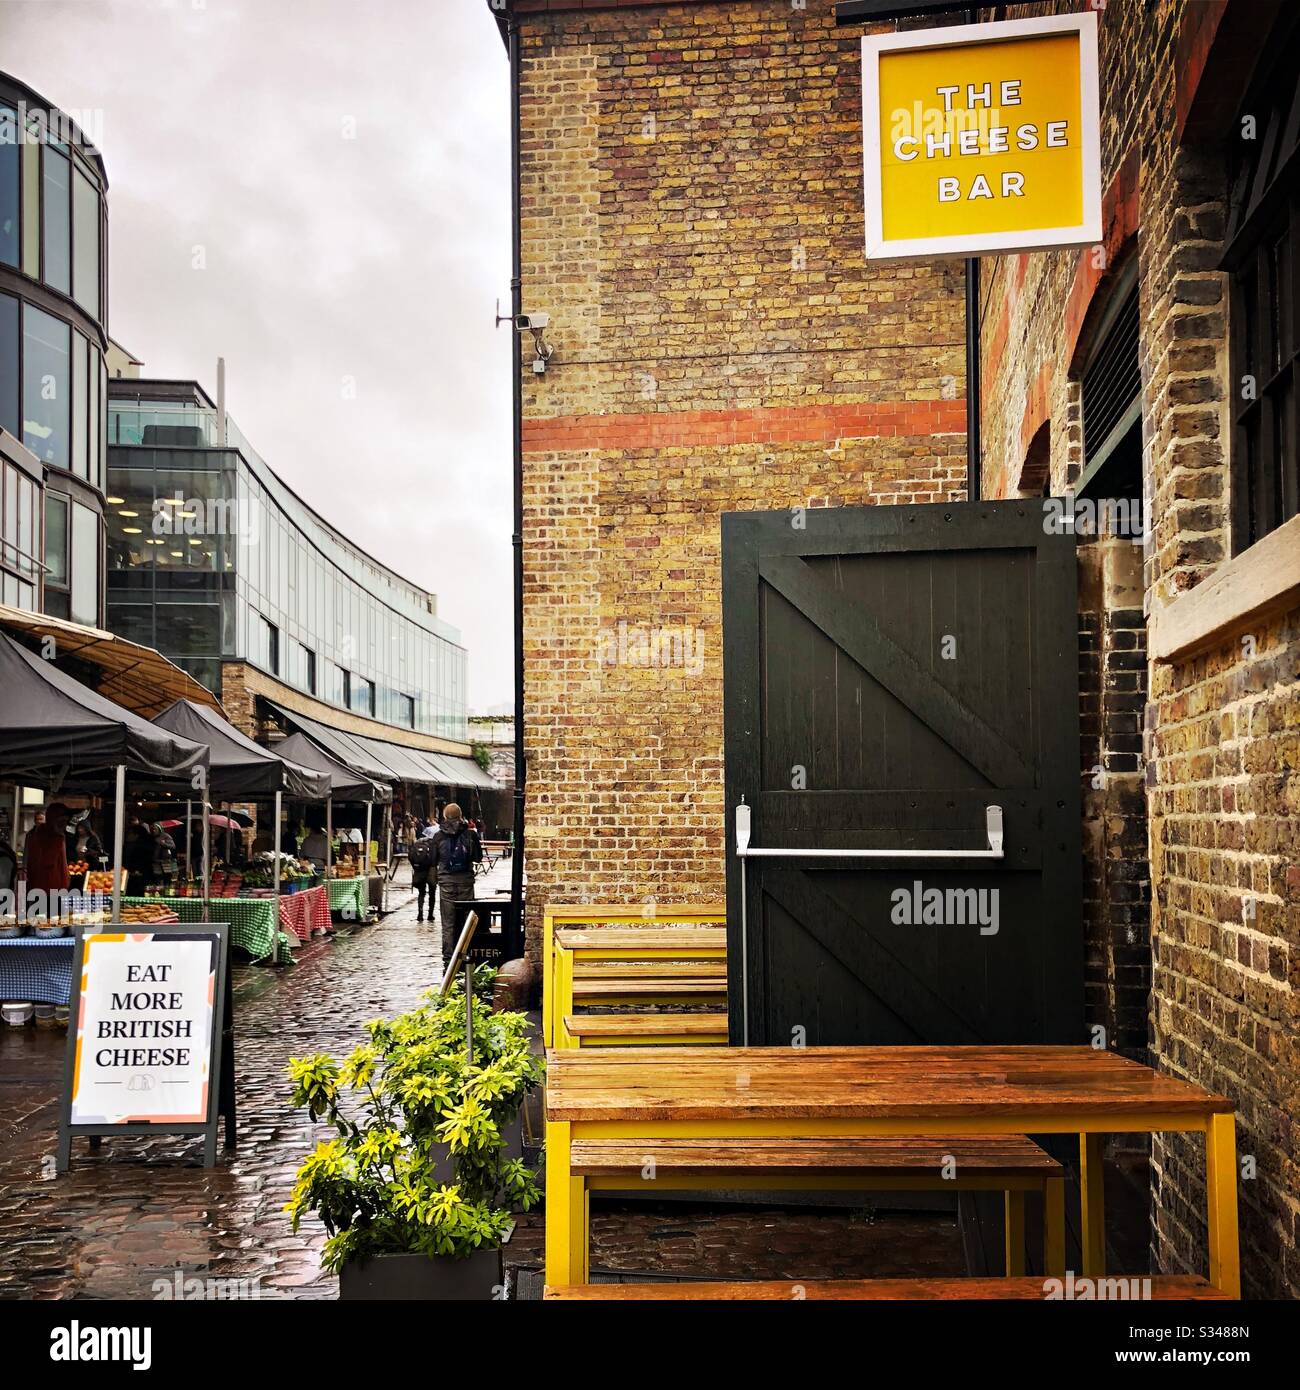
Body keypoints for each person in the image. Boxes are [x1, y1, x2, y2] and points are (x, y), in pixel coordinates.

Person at [431, 803, 482, 961]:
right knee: (467, 920)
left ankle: (448, 957)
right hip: (466, 881)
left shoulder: (438, 836)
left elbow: (433, 860)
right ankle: (465, 952)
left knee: (448, 921)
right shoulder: (470, 835)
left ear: (445, 816)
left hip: (446, 882)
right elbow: (478, 857)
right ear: (461, 816)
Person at [22, 803, 70, 910]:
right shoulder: (42, 836)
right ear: (53, 820)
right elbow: (47, 863)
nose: (64, 825)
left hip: (55, 888)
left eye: (65, 822)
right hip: (46, 889)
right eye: (61, 822)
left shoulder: (58, 836)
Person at [409, 823, 437, 923]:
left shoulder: (418, 842)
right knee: (432, 893)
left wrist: (415, 867)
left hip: (420, 871)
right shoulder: (434, 844)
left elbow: (411, 856)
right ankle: (430, 914)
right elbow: (436, 858)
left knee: (421, 893)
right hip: (431, 871)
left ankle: (420, 913)